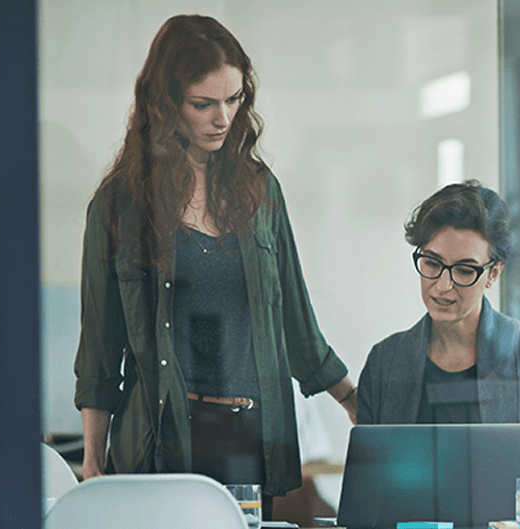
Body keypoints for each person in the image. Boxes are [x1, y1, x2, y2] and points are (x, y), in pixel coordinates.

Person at [73, 14, 358, 502]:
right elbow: (100, 350)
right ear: (166, 105)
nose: (222, 118)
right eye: (202, 104)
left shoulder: (261, 192)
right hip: (160, 444)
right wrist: (93, 459)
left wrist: (354, 401)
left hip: (250, 439)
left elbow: (295, 321)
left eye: (233, 99)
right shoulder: (120, 205)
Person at [356, 181, 520, 520]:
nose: (443, 285)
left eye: (464, 270)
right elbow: (369, 497)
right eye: (431, 263)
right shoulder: (385, 363)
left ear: (494, 273)